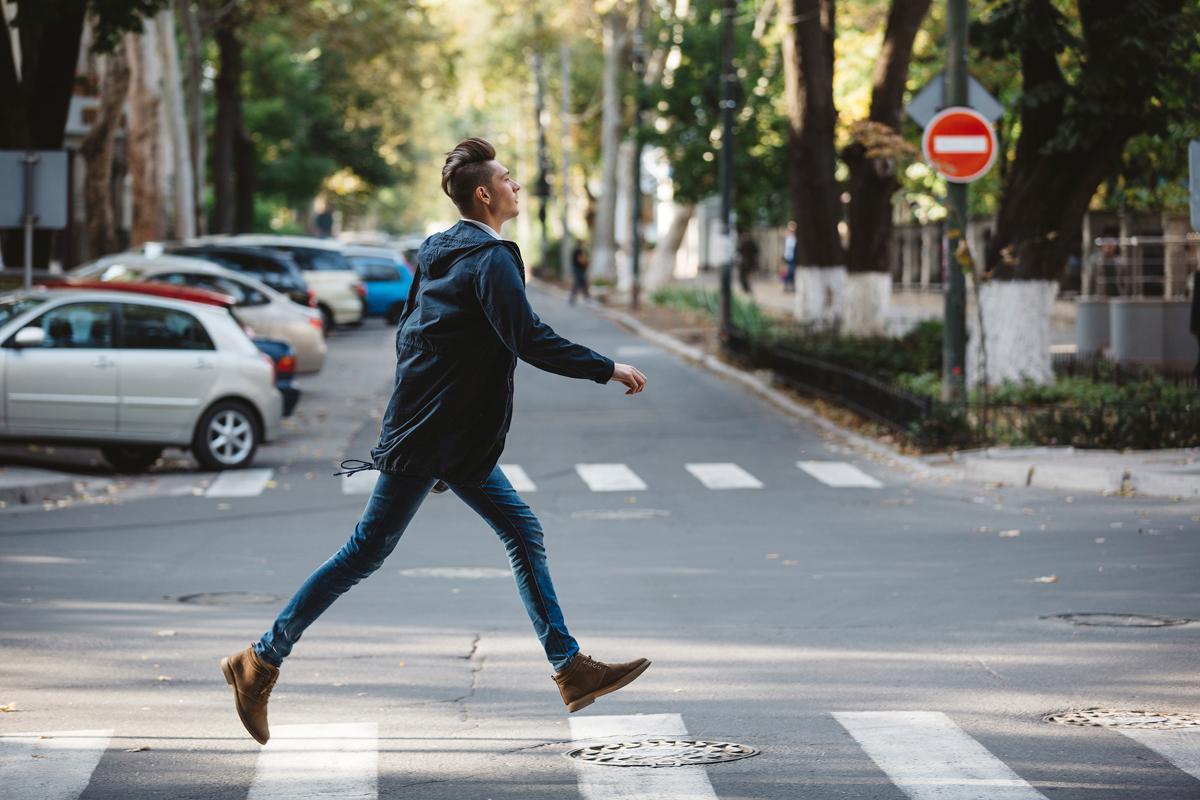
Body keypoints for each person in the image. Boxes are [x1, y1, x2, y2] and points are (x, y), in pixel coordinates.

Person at [221, 138, 651, 745]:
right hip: (434, 437)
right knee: (366, 551)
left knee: (521, 531)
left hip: (444, 436)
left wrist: (429, 425)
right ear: (484, 193)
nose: (516, 185)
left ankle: (569, 667)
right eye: (507, 178)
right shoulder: (490, 259)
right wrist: (606, 368)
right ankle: (260, 660)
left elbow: (411, 338)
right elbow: (527, 338)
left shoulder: (437, 249)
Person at [736, 231, 758, 296]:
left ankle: (746, 287)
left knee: (742, 276)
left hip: (744, 263)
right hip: (751, 262)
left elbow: (739, 251)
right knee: (748, 276)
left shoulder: (742, 243)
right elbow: (756, 251)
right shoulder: (752, 243)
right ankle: (748, 287)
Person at [569, 240, 590, 305]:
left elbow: (586, 260)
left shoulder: (584, 251)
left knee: (583, 282)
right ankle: (574, 297)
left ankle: (586, 296)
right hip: (577, 269)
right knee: (578, 282)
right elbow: (577, 261)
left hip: (582, 269)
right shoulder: (576, 251)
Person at [781, 221, 797, 292]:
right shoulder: (788, 237)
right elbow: (788, 248)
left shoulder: (795, 237)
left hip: (794, 257)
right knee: (789, 271)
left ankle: (791, 286)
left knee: (793, 272)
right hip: (789, 257)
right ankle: (786, 285)